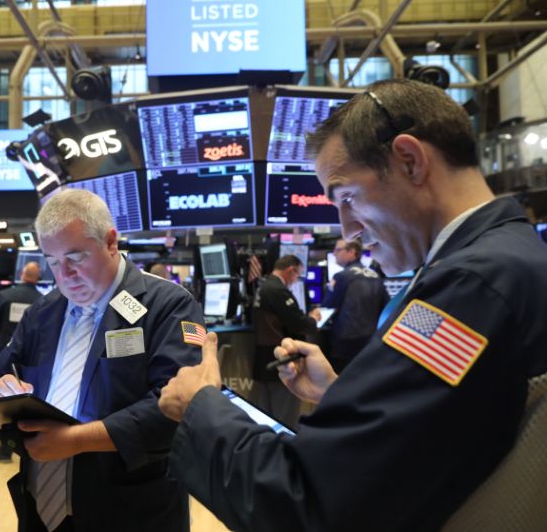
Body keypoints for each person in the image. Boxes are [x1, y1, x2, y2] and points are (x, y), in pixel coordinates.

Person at [157, 79, 547, 531]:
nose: (347, 230)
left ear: (409, 160)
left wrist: (201, 406)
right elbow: (450, 427)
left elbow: (308, 503)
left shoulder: (468, 287)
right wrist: (340, 392)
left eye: (346, 197)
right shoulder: (512, 259)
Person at [0, 189, 205, 532]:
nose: (64, 275)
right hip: (40, 508)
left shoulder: (169, 305)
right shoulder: (42, 313)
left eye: (76, 257)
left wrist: (76, 440)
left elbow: (178, 408)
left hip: (130, 511)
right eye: (53, 262)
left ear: (111, 241)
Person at [0, 261, 43, 463]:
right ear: (39, 277)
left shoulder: (6, 295)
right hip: (31, 361)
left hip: (4, 353)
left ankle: (5, 449)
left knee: (5, 401)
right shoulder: (42, 302)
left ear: (21, 274)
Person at [252, 255, 321, 425]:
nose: (296, 279)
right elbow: (299, 324)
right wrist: (313, 318)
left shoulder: (263, 286)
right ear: (291, 270)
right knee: (285, 419)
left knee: (266, 417)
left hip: (264, 360)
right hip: (283, 362)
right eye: (298, 275)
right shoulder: (277, 290)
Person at [322, 238, 389, 372]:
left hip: (345, 343)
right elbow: (386, 307)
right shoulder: (376, 276)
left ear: (352, 252)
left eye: (338, 250)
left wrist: (329, 289)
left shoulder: (342, 276)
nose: (334, 254)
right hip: (370, 340)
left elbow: (328, 305)